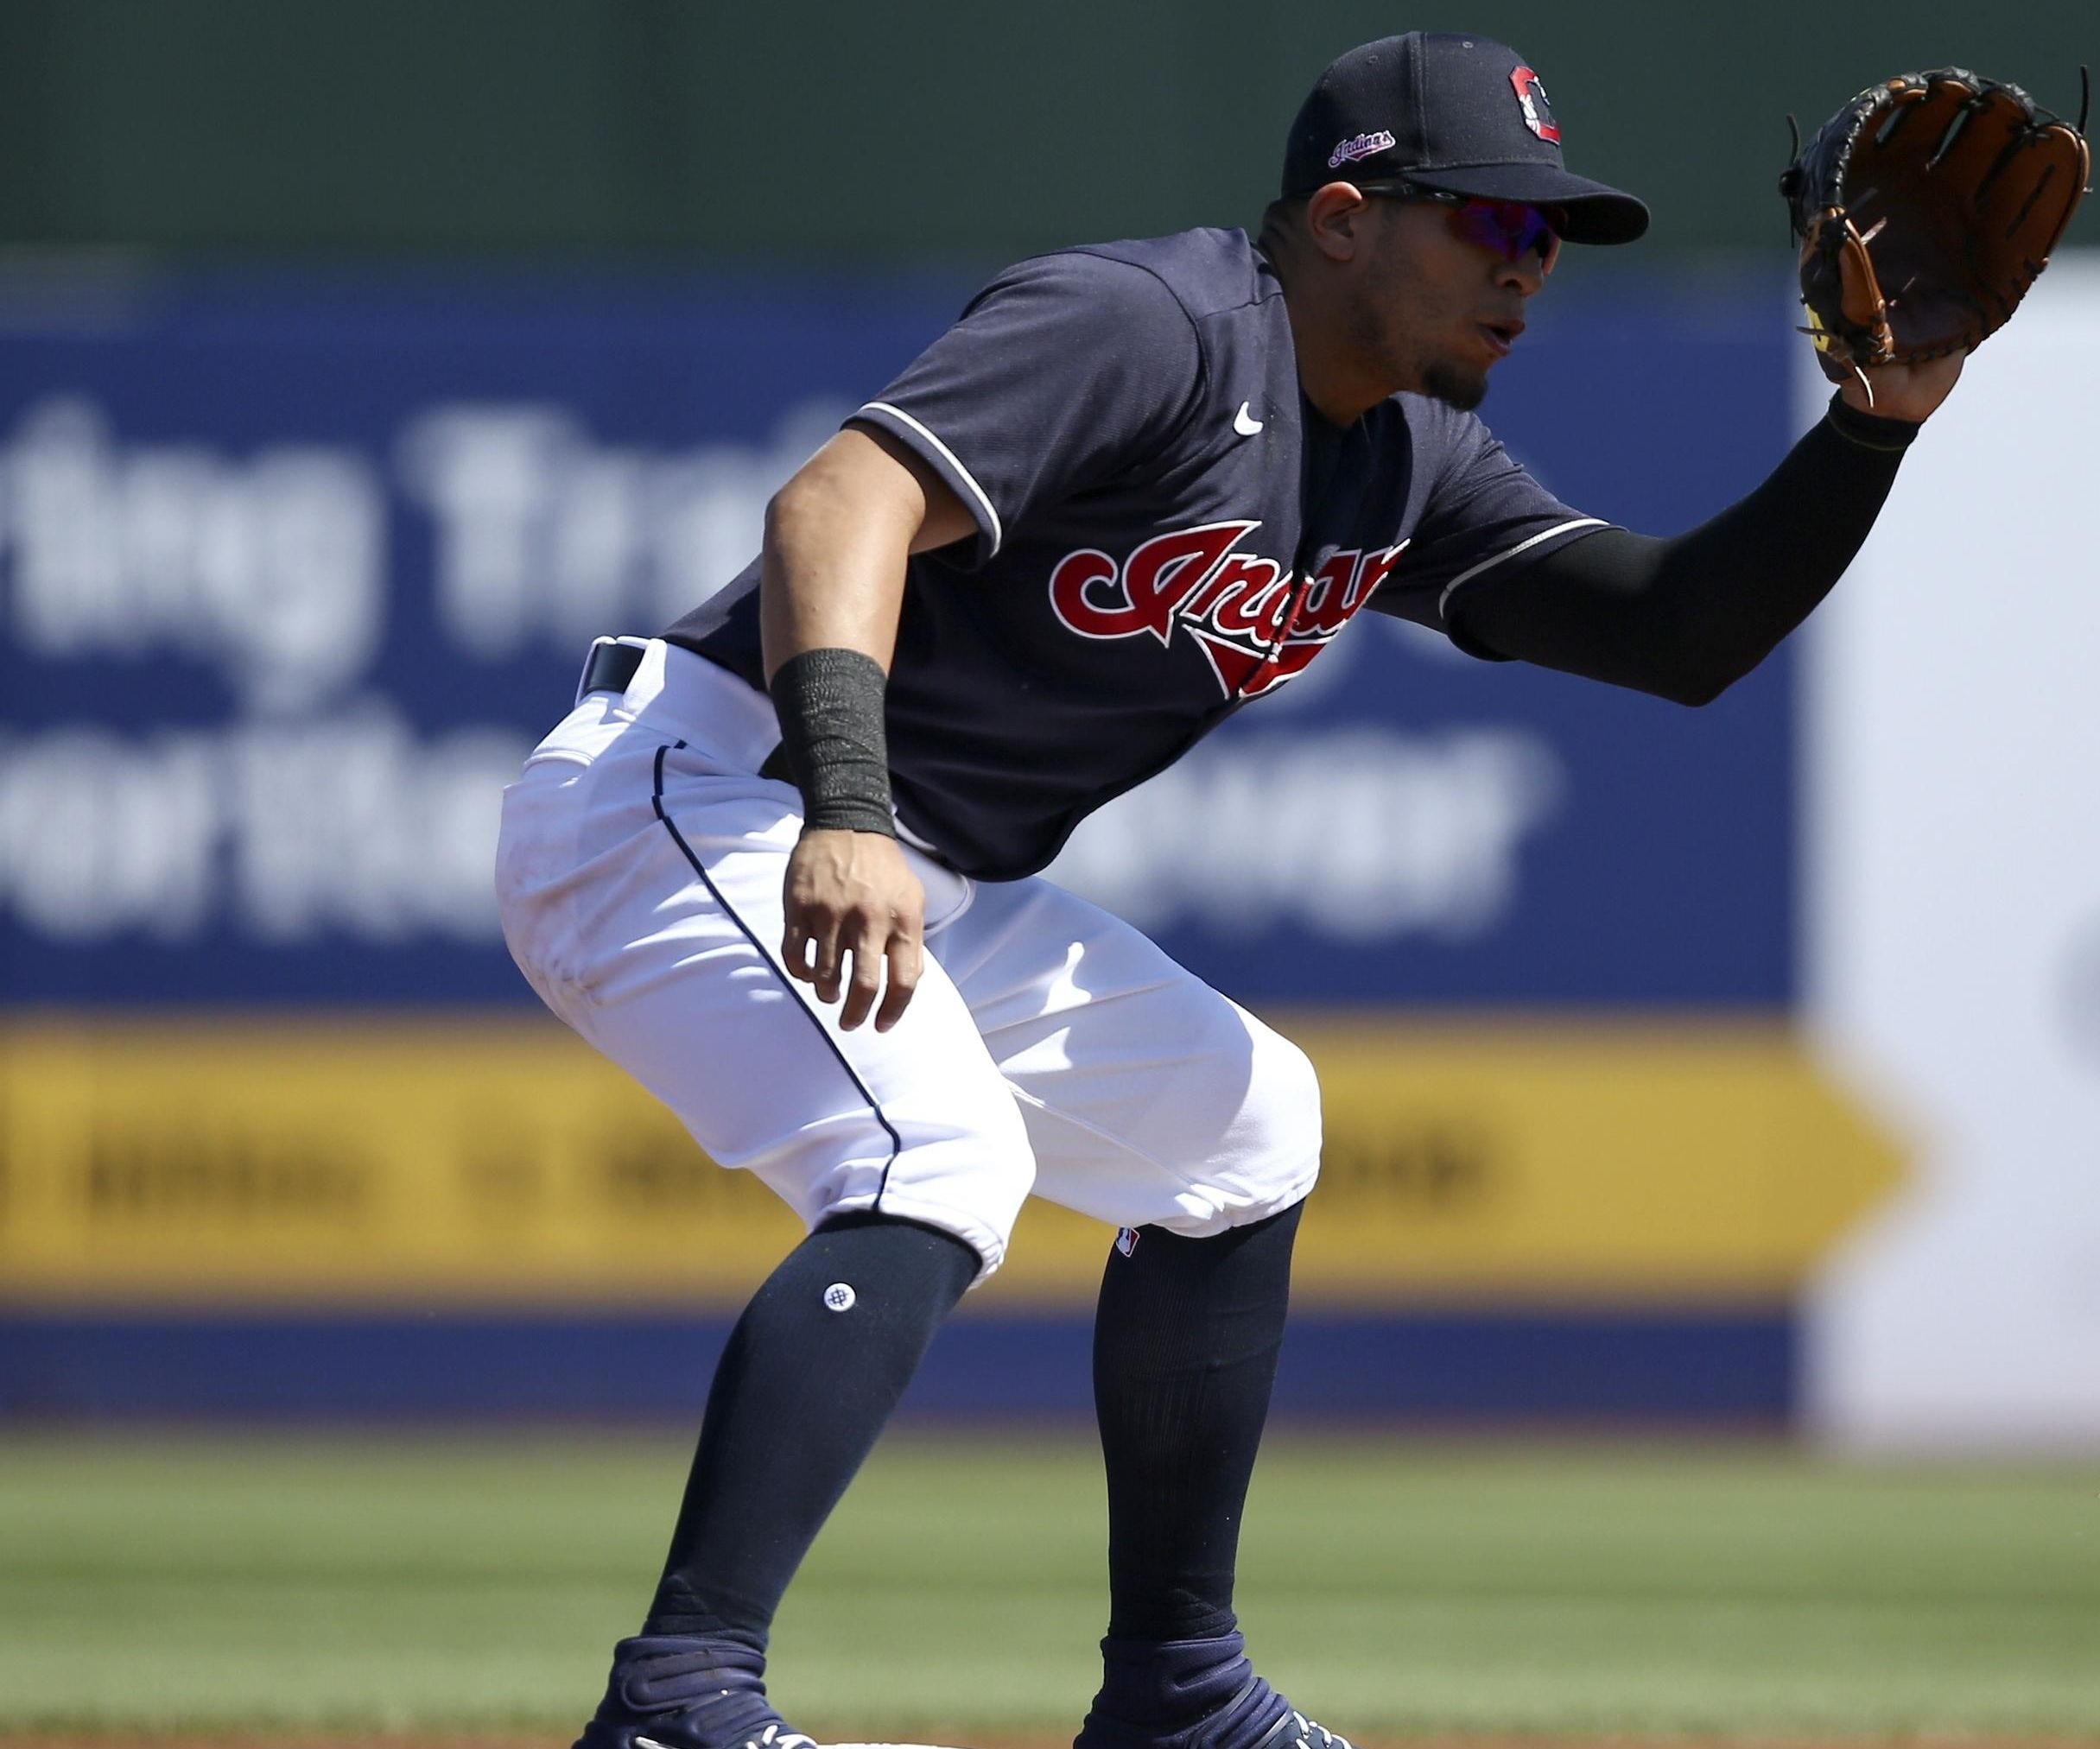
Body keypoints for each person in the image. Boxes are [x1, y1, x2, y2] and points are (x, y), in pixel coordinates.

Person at [496, 29, 1958, 1749]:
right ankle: (678, 1698)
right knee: (934, 1153)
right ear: (1342, 217)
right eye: (1487, 222)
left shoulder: (1402, 454)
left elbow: (1673, 632)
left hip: (927, 862)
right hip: (702, 792)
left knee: (1244, 1125)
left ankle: (1177, 1696)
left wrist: (1876, 427)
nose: (1529, 266)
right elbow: (843, 499)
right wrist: (846, 795)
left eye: (1549, 236)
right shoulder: (1158, 323)